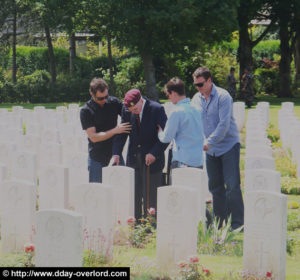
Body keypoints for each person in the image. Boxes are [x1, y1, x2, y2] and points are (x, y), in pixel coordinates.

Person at [191, 66, 244, 230]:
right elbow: (194, 122)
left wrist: (209, 142)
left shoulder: (223, 96)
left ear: (209, 80)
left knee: (232, 186)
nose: (198, 88)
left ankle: (237, 224)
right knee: (215, 186)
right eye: (195, 85)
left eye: (200, 84)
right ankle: (219, 223)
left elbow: (224, 125)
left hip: (228, 145)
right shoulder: (196, 99)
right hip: (210, 149)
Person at [111, 89, 168, 220]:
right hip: (134, 159)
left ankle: (151, 225)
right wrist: (116, 153)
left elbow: (166, 136)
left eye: (135, 109)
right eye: (130, 110)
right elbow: (122, 134)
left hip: (152, 159)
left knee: (151, 195)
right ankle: (135, 223)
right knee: (134, 194)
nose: (133, 112)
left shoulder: (156, 109)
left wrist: (154, 153)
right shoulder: (126, 110)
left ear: (141, 100)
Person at [80, 78, 131, 183]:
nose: (104, 100)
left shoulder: (113, 102)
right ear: (91, 93)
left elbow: (129, 116)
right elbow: (93, 137)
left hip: (115, 153)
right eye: (100, 98)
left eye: (106, 97)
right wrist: (115, 131)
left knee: (123, 189)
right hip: (97, 157)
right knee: (96, 192)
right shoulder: (86, 111)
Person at [157, 77, 204, 169]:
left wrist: (159, 132)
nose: (169, 98)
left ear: (173, 93)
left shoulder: (176, 111)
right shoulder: (197, 108)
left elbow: (167, 138)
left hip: (182, 161)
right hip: (198, 160)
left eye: (168, 95)